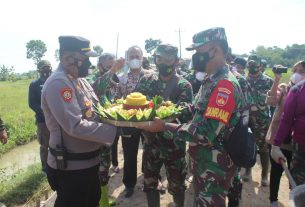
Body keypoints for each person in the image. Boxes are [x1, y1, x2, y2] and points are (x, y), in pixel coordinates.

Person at [139, 27, 247, 207]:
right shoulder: (211, 79)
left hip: (214, 169)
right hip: (205, 165)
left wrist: (165, 126)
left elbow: (204, 133)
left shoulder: (224, 86)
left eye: (199, 51)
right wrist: (169, 111)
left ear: (216, 50)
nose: (196, 56)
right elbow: (194, 109)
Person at [41, 36, 119, 207]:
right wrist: (114, 130)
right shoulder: (59, 83)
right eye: (85, 59)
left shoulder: (79, 79)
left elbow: (94, 108)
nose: (89, 64)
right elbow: (74, 125)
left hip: (88, 163)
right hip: (72, 169)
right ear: (67, 58)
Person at [136, 44, 193, 207]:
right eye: (160, 59)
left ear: (176, 61)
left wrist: (163, 124)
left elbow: (185, 116)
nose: (164, 63)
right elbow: (138, 107)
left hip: (174, 147)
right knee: (150, 183)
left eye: (169, 59)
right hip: (151, 144)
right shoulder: (146, 80)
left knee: (178, 186)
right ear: (156, 59)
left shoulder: (184, 85)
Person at [100, 46, 150, 198]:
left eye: (137, 55)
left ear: (142, 58)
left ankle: (151, 180)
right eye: (131, 56)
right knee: (129, 155)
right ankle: (129, 184)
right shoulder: (121, 78)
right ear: (127, 59)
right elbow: (111, 95)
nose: (135, 58)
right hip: (128, 124)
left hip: (148, 123)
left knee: (150, 152)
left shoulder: (151, 76)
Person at [265, 62, 305, 207]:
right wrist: (276, 80)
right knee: (276, 171)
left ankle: (295, 198)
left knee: (294, 176)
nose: (298, 74)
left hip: (296, 142)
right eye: (296, 70)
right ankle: (273, 200)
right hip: (279, 138)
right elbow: (270, 101)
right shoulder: (285, 89)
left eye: (302, 71)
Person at [243, 55, 273, 187]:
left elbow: (273, 100)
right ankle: (248, 170)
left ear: (260, 67)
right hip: (246, 117)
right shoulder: (244, 80)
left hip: (262, 119)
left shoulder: (268, 81)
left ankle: (264, 175)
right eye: (250, 68)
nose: (253, 71)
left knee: (264, 148)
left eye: (255, 67)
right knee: (248, 145)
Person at [28, 60, 52, 173]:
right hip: (43, 120)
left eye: (48, 67)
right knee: (44, 145)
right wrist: (46, 111)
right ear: (39, 70)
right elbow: (32, 104)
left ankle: (57, 163)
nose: (47, 70)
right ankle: (45, 168)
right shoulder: (34, 84)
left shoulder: (54, 82)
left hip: (57, 119)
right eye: (44, 68)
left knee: (58, 142)